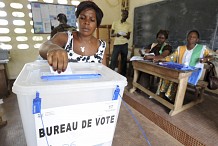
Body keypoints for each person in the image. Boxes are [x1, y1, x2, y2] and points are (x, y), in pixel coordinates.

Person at [39, 1, 106, 73]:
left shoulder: (101, 46)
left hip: (93, 84)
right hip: (66, 83)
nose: (86, 22)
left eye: (92, 20)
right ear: (77, 20)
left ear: (97, 25)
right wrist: (53, 48)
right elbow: (43, 47)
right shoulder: (65, 38)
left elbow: (104, 72)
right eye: (82, 18)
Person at [156, 30, 213, 102]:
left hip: (193, 73)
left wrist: (206, 58)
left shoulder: (202, 49)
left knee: (177, 77)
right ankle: (166, 96)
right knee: (167, 74)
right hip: (181, 71)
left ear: (197, 39)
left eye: (194, 37)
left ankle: (173, 99)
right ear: (187, 38)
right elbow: (171, 57)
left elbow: (214, 56)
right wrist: (161, 59)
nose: (191, 38)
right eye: (190, 36)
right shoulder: (180, 48)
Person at [109, 10, 131, 76]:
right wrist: (116, 34)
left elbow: (128, 37)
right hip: (117, 44)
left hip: (124, 44)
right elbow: (111, 34)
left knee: (124, 61)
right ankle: (110, 74)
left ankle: (123, 75)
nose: (125, 15)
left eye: (126, 14)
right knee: (113, 59)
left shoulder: (129, 25)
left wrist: (125, 35)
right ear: (121, 14)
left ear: (127, 16)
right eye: (124, 14)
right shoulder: (115, 23)